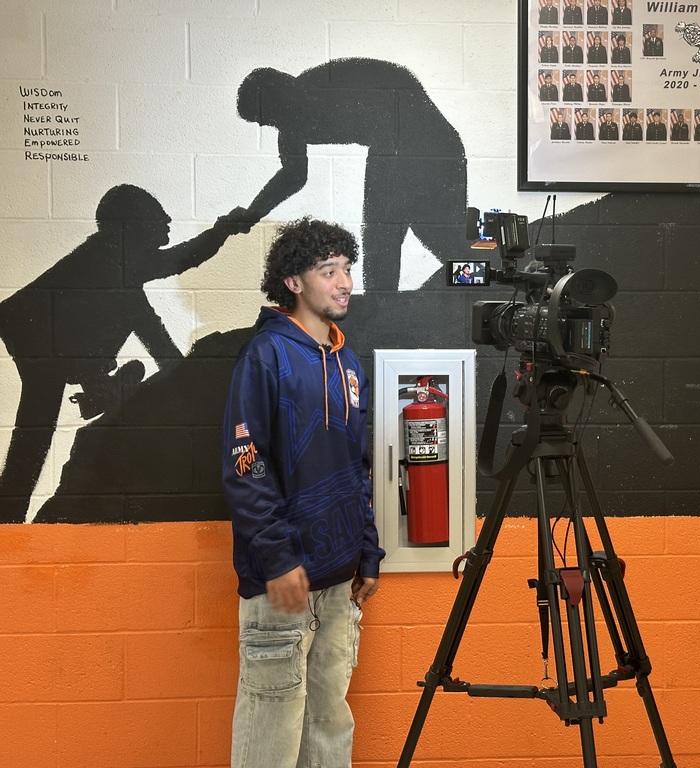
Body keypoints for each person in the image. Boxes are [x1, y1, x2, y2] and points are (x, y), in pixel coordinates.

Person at [224, 217, 383, 768]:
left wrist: (367, 552)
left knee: (329, 723)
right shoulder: (265, 355)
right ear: (293, 282)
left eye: (347, 269)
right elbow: (245, 467)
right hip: (282, 584)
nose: (345, 282)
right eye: (328, 270)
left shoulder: (348, 362)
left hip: (340, 582)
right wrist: (278, 559)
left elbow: (358, 468)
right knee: (271, 731)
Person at [0, 186, 249, 524]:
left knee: (32, 439)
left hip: (37, 333)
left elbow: (153, 323)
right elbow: (179, 261)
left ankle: (99, 386)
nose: (167, 220)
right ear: (130, 226)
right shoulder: (113, 259)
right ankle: (99, 387)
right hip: (37, 335)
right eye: (156, 216)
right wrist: (222, 230)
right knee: (33, 438)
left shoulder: (115, 265)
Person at [234, 60, 467, 292]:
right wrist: (250, 214)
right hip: (414, 147)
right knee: (402, 241)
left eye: (270, 117)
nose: (275, 125)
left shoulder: (321, 88)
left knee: (398, 238)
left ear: (278, 98)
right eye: (268, 123)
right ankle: (388, 300)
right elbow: (293, 175)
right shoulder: (292, 121)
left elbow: (399, 90)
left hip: (427, 143)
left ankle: (390, 300)